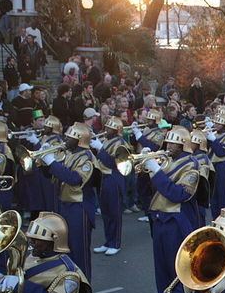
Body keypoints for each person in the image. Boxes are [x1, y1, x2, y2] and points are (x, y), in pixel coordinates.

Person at [144, 127, 201, 293]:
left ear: (184, 144)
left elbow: (178, 194)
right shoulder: (167, 161)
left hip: (176, 222)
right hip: (160, 220)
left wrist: (156, 172)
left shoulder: (193, 165)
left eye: (173, 143)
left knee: (179, 273)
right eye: (167, 142)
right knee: (162, 272)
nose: (168, 146)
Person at [42, 122, 97, 280]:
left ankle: (84, 289)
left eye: (69, 137)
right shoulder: (67, 153)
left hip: (79, 208)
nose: (65, 139)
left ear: (79, 140)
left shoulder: (87, 158)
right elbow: (52, 176)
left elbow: (74, 179)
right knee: (65, 249)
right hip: (64, 205)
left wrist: (52, 162)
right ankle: (70, 285)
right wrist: (44, 162)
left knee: (79, 251)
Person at [91, 117, 129, 256]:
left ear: (116, 130)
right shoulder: (107, 140)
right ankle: (108, 241)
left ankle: (115, 243)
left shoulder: (121, 143)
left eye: (109, 128)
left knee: (114, 212)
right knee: (106, 212)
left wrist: (99, 148)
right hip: (104, 177)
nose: (106, 130)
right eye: (106, 127)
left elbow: (112, 162)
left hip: (114, 178)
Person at [131, 109, 166, 223]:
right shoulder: (146, 130)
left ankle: (151, 212)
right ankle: (147, 212)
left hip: (152, 164)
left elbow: (152, 146)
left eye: (151, 120)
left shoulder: (159, 133)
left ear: (156, 121)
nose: (148, 121)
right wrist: (134, 131)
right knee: (142, 189)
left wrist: (138, 134)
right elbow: (136, 142)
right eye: (148, 119)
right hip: (142, 162)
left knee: (149, 190)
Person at [207, 108, 225, 219]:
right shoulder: (214, 133)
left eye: (219, 123)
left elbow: (221, 153)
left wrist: (213, 140)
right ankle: (215, 219)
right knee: (213, 197)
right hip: (212, 167)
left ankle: (223, 220)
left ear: (224, 125)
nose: (216, 125)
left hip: (222, 167)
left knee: (222, 197)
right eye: (216, 122)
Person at [189, 129, 214, 227]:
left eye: (192, 143)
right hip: (196, 195)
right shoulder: (197, 156)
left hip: (199, 195)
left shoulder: (201, 158)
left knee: (199, 222)